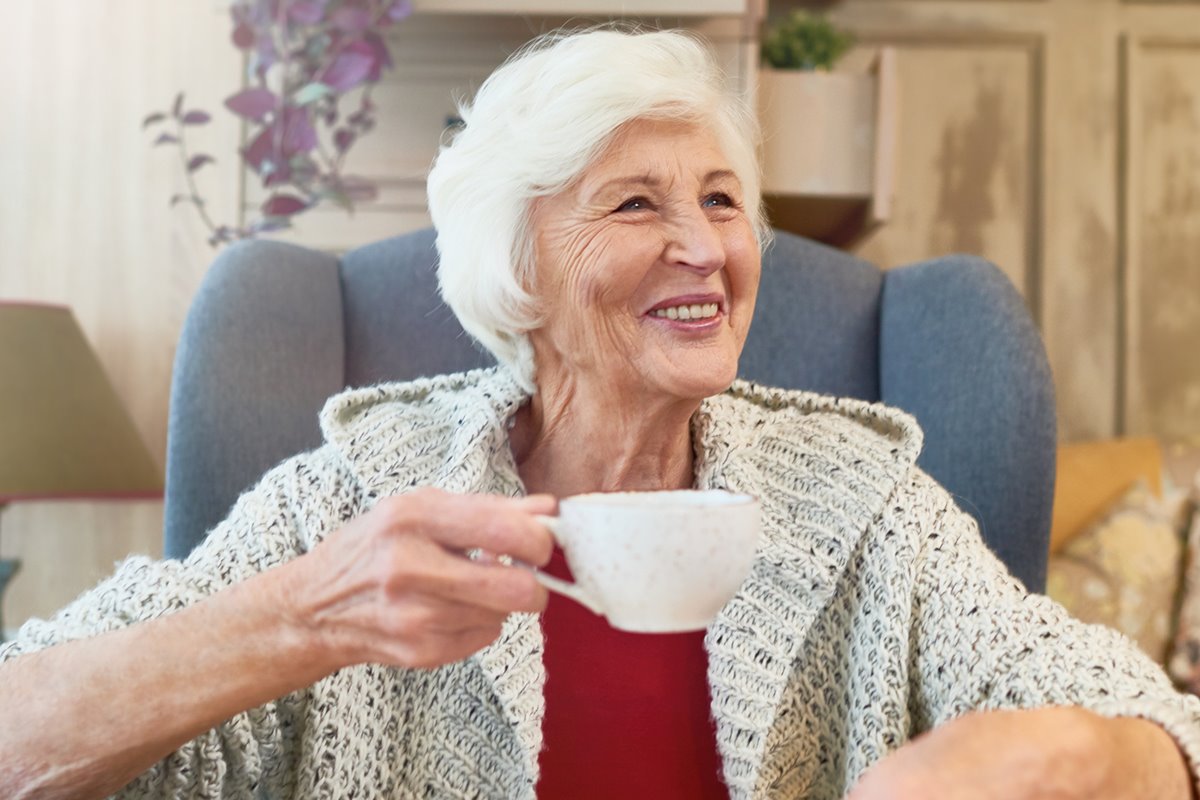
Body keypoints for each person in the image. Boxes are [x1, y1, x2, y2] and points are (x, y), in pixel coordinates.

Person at [1, 26, 1198, 800]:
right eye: (634, 204)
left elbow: (1152, 724)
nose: (703, 247)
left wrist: (1052, 754)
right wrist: (307, 611)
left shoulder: (863, 498)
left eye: (724, 200)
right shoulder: (363, 496)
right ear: (521, 266)